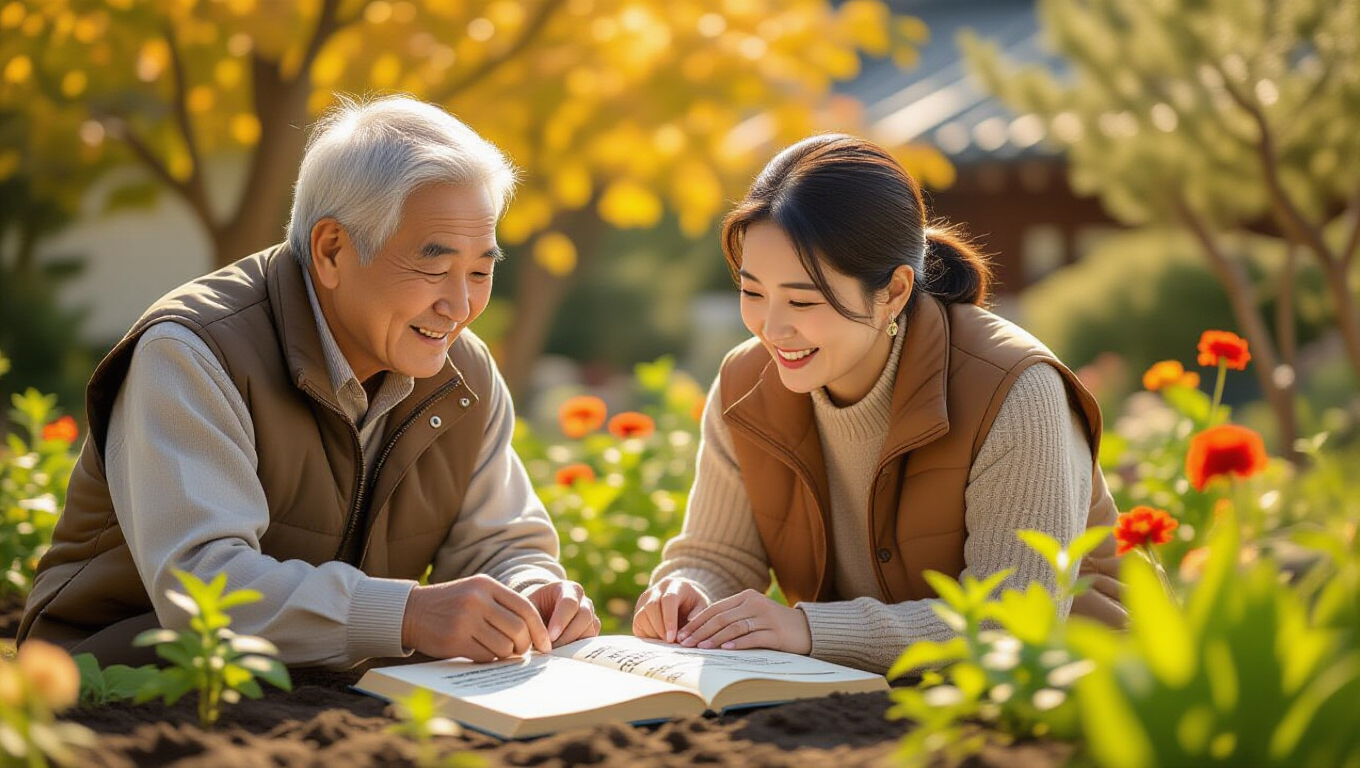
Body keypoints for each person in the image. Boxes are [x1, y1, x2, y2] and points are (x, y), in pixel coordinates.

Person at [19, 95, 599, 668]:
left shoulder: (461, 372)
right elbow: (205, 586)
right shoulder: (192, 352)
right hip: (125, 689)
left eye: (480, 270)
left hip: (324, 692)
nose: (461, 304)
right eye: (434, 267)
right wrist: (409, 615)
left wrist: (531, 590)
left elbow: (499, 542)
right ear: (331, 249)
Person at [633, 134, 1124, 674]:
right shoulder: (745, 385)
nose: (772, 328)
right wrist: (688, 591)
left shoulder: (1014, 390)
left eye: (802, 300)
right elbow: (716, 557)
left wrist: (807, 629)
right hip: (870, 701)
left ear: (893, 291)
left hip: (1069, 702)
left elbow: (1012, 622)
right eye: (752, 293)